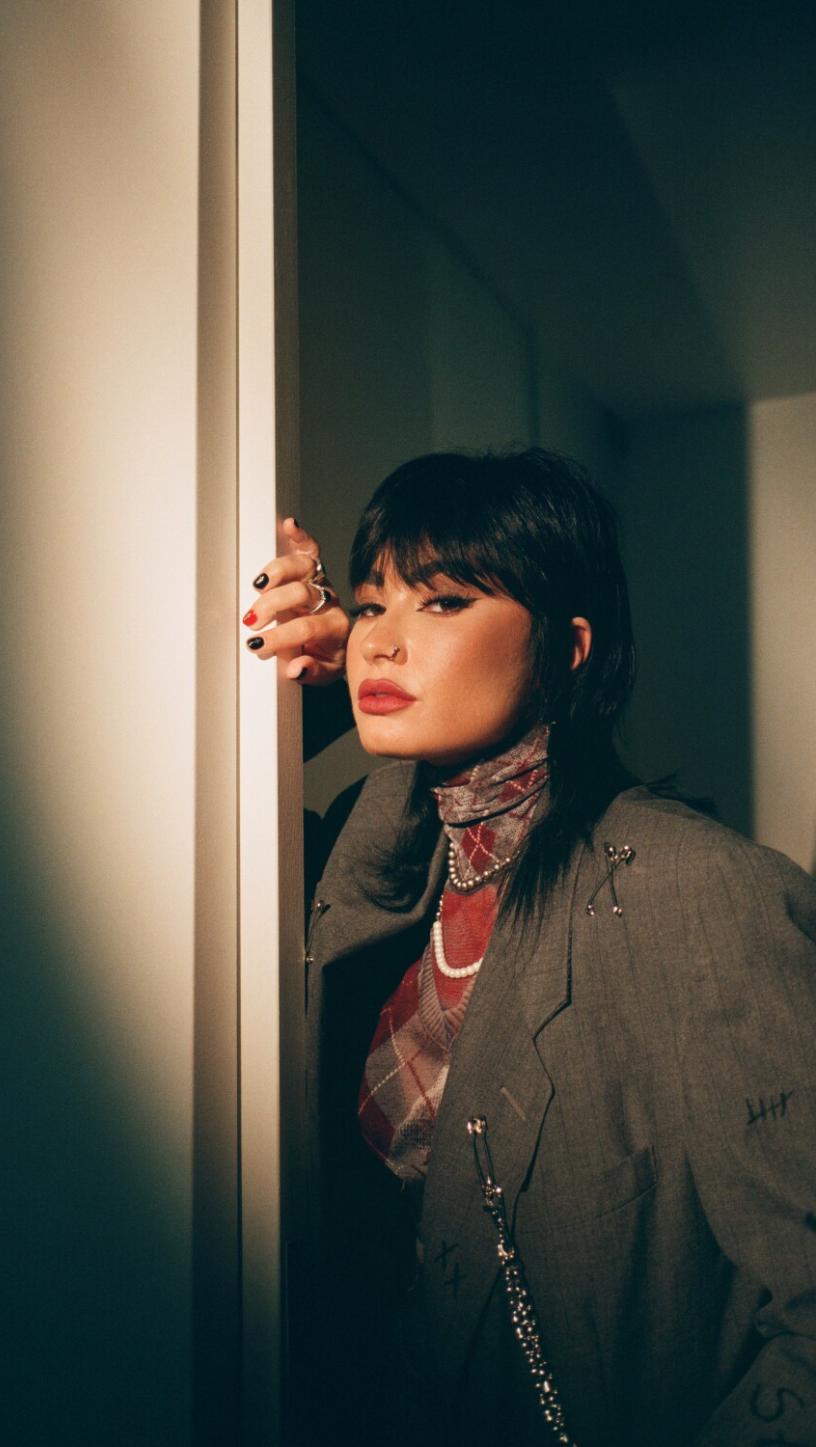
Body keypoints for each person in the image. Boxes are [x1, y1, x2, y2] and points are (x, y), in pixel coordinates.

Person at [243, 450, 816, 1447]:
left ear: (570, 645)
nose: (384, 640)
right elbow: (164, 855)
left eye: (446, 601)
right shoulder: (370, 862)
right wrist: (312, 692)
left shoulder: (703, 890)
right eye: (373, 606)